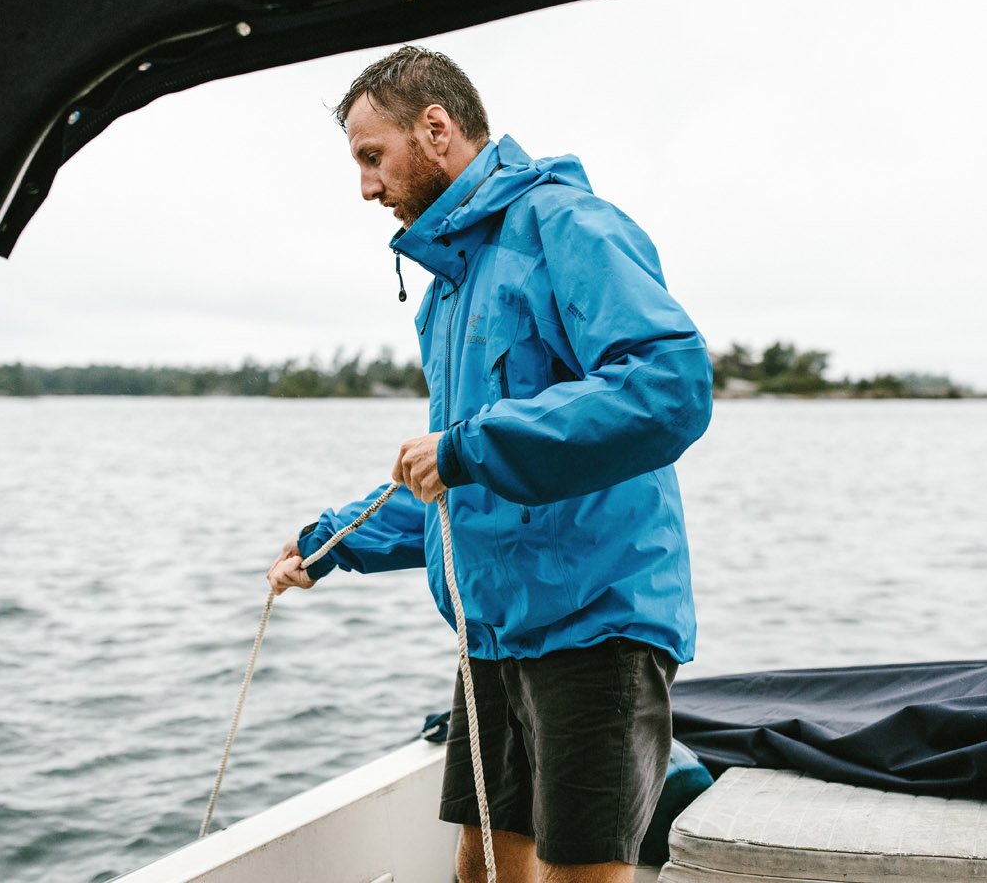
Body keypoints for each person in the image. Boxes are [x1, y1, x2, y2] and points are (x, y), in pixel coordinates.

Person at [267, 46, 712, 883]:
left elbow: (670, 385)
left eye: (373, 157)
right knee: (478, 867)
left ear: (435, 128)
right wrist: (329, 543)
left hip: (595, 622)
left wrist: (469, 447)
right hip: (494, 634)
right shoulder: (444, 293)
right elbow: (454, 481)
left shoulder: (568, 227)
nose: (366, 187)